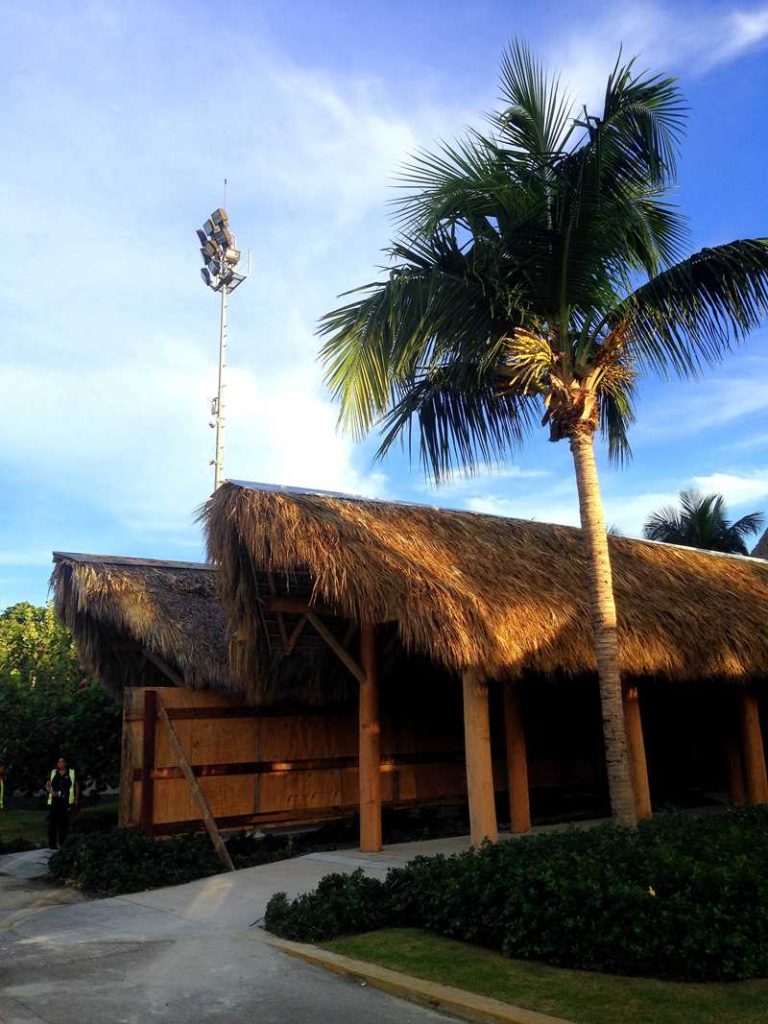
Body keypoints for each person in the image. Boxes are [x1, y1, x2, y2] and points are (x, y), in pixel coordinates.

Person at [46, 757, 79, 850]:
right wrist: (52, 792)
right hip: (54, 801)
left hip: (66, 801)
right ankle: (52, 844)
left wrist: (76, 799)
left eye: (62, 762)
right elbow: (47, 785)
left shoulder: (71, 773)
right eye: (59, 762)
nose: (60, 763)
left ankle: (62, 843)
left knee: (64, 823)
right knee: (52, 823)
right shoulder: (53, 772)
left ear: (66, 763)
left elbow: (76, 785)